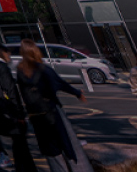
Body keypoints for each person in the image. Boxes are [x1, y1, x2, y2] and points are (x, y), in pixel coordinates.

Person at [15, 39, 88, 172]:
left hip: (35, 115)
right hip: (51, 111)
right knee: (68, 143)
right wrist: (77, 93)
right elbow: (60, 83)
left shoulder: (20, 72)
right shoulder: (42, 69)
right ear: (35, 51)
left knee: (50, 149)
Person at [0, 46, 37, 172]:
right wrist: (20, 114)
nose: (9, 56)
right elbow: (11, 91)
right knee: (21, 144)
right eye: (8, 53)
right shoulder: (1, 67)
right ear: (2, 53)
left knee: (18, 144)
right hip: (10, 112)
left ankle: (22, 168)